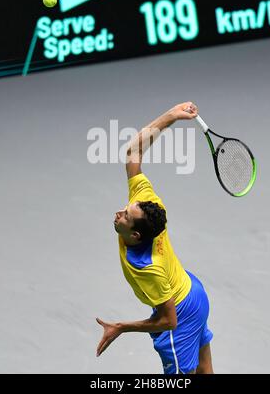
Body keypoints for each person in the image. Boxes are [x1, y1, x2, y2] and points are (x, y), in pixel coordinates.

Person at [96, 102, 214, 374]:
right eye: (126, 209)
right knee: (205, 369)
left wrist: (122, 327)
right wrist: (172, 115)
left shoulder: (148, 266)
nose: (119, 212)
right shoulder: (145, 202)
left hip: (180, 315)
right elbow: (133, 151)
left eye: (124, 216)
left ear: (135, 235)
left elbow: (168, 321)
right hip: (194, 292)